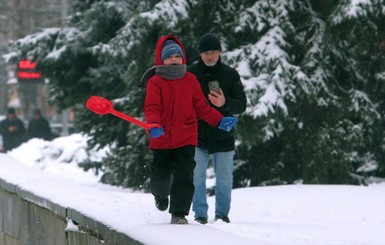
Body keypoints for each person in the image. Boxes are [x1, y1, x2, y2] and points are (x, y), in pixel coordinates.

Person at [143, 34, 238, 224]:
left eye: (177, 56)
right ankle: (161, 195)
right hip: (160, 137)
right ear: (162, 59)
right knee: (160, 177)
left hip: (185, 137)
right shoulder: (155, 82)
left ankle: (179, 213)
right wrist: (152, 124)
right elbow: (151, 107)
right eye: (169, 56)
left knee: (185, 175)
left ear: (183, 58)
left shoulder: (190, 80)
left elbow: (201, 107)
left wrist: (219, 121)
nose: (174, 60)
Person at [188, 33, 247, 224]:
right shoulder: (190, 74)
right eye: (206, 53)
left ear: (220, 52)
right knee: (196, 178)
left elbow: (242, 105)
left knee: (224, 180)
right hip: (196, 135)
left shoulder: (230, 74)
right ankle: (200, 215)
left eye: (213, 52)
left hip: (223, 135)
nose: (210, 56)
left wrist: (224, 102)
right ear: (200, 54)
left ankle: (222, 215)